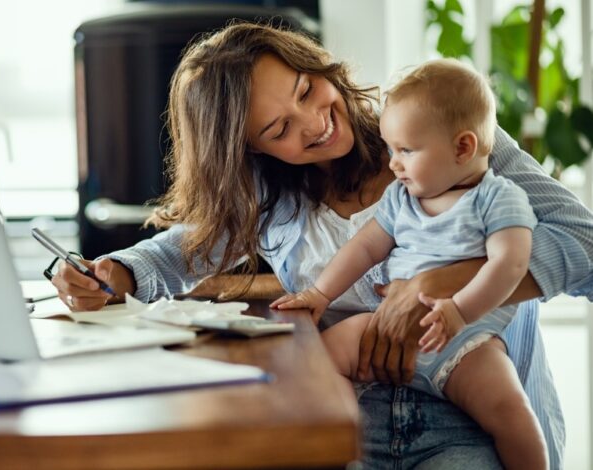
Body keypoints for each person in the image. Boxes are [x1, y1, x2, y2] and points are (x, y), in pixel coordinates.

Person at [51, 22, 593, 469]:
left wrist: (440, 282)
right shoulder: (271, 195)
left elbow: (585, 245)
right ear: (251, 151)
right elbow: (177, 251)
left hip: (472, 410)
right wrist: (108, 274)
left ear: (315, 65)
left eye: (307, 90)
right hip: (349, 410)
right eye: (279, 128)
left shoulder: (445, 132)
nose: (314, 123)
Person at [272, 59, 546, 469]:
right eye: (390, 149)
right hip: (386, 326)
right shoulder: (403, 199)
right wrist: (319, 293)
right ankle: (347, 448)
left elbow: (509, 265)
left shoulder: (498, 199)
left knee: (512, 413)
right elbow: (364, 249)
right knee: (320, 357)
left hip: (465, 343)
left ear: (462, 148)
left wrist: (458, 310)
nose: (393, 163)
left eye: (406, 151)